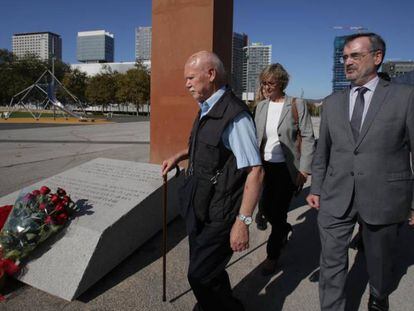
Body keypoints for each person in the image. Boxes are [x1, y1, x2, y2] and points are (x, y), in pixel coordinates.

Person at [306, 33, 414, 311]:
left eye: (356, 55)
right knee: (331, 262)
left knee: (379, 262)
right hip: (335, 195)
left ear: (377, 58)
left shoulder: (405, 97)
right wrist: (316, 187)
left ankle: (379, 293)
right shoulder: (332, 103)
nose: (348, 62)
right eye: (345, 57)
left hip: (384, 195)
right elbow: (323, 152)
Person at [162, 51, 264, 311]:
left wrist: (243, 222)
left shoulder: (235, 116)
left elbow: (255, 171)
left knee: (198, 274)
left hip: (221, 211)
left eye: (191, 78)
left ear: (211, 74)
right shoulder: (207, 108)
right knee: (210, 268)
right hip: (199, 205)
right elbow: (210, 147)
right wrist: (179, 155)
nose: (186, 84)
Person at [254, 63, 315, 274]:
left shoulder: (296, 104)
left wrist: (304, 171)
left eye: (270, 83)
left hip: (287, 169)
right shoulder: (261, 106)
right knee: (266, 208)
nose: (265, 87)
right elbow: (256, 138)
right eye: (263, 83)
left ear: (281, 82)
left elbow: (308, 137)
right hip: (264, 167)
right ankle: (285, 229)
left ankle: (272, 256)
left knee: (278, 212)